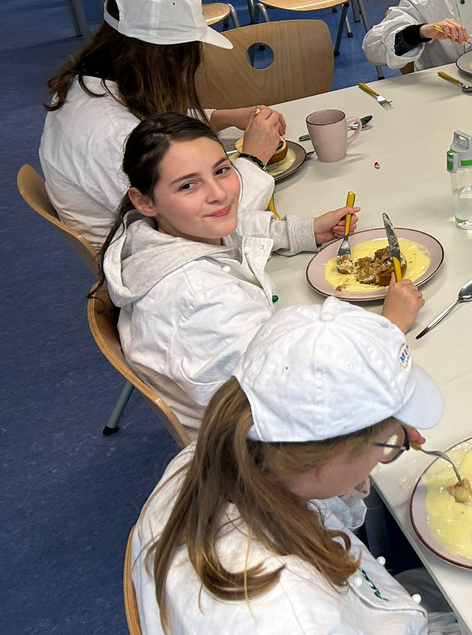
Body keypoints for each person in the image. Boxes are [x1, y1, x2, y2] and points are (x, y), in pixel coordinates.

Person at [131, 297, 472, 635]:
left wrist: (368, 451)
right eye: (388, 441)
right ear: (325, 463)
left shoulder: (219, 454)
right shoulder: (297, 629)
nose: (401, 443)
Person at [98, 112, 420, 438]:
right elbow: (301, 393)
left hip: (259, 390)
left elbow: (236, 227)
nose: (219, 194)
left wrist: (303, 232)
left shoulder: (162, 232)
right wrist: (389, 328)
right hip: (264, 442)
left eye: (222, 170)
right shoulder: (200, 300)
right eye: (188, 185)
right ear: (144, 201)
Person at [39, 0, 283, 247]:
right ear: (163, 61)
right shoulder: (114, 135)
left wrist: (220, 117)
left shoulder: (88, 85)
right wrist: (254, 159)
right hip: (161, 252)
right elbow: (210, 220)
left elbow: (148, 120)